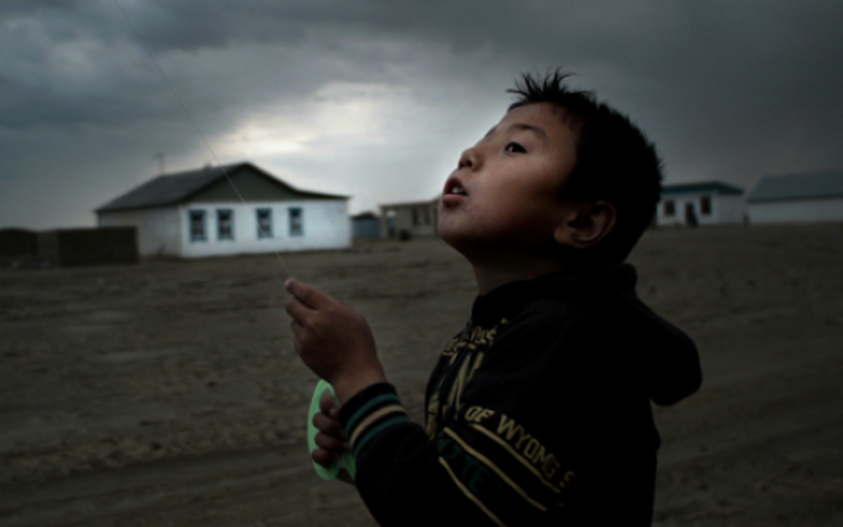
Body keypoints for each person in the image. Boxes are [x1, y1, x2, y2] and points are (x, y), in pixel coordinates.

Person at [285, 70, 702, 526]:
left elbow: (443, 513)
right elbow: (462, 480)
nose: (469, 154)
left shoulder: (562, 339)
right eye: (483, 139)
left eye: (515, 148)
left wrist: (354, 375)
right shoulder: (509, 326)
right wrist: (369, 437)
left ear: (582, 223)